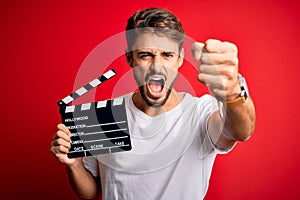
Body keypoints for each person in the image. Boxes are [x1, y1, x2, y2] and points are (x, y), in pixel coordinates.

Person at [50, 7, 256, 200]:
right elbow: (92, 191)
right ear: (130, 59)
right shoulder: (106, 116)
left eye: (167, 55)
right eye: (145, 55)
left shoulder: (200, 112)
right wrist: (74, 164)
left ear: (180, 59)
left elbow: (241, 131)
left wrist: (232, 94)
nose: (157, 67)